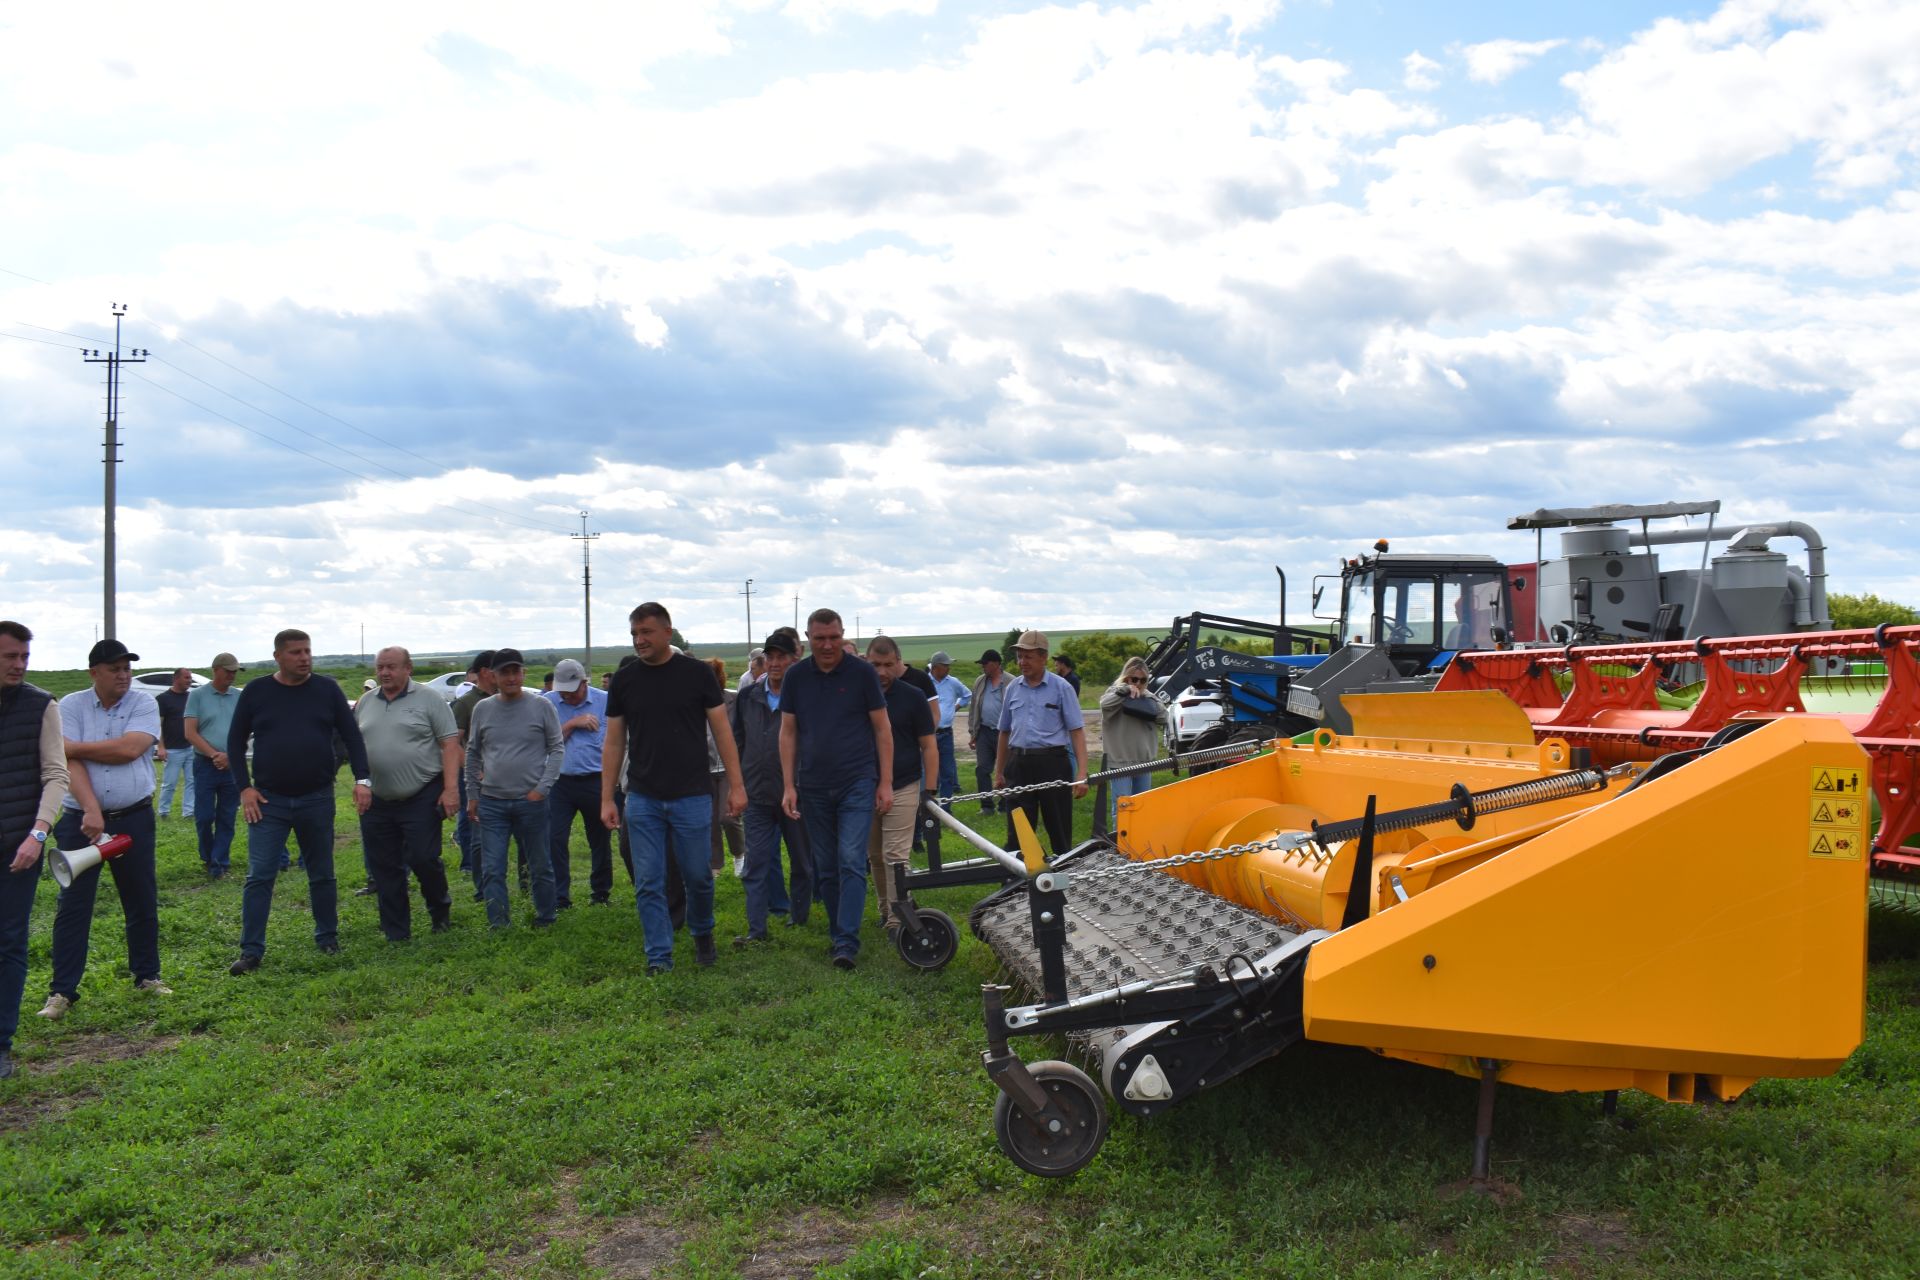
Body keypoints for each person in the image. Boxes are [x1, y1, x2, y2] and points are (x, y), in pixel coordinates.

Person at [600, 603, 745, 974]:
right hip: (643, 796)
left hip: (693, 795)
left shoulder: (696, 675)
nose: (639, 640)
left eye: (646, 632)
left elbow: (722, 731)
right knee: (649, 881)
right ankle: (659, 956)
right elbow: (614, 741)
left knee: (697, 875)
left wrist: (736, 785)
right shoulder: (625, 680)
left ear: (668, 632)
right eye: (634, 633)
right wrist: (607, 797)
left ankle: (702, 934)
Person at [226, 628, 370, 974]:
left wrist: (362, 780)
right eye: (296, 652)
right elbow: (234, 742)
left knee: (322, 873)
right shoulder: (258, 692)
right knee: (260, 875)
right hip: (268, 801)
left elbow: (352, 735)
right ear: (278, 656)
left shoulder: (327, 690)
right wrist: (244, 788)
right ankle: (251, 951)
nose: (304, 658)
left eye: (307, 651)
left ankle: (327, 937)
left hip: (316, 798)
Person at [42, 638, 169, 1019]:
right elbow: (70, 765)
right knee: (73, 906)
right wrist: (92, 810)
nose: (124, 675)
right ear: (93, 673)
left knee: (141, 899)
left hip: (135, 817)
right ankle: (61, 992)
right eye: (115, 669)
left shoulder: (143, 703)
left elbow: (131, 749)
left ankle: (147, 976)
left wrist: (73, 747)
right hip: (81, 823)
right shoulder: (71, 705)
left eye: (127, 668)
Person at [779, 608, 891, 970]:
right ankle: (837, 928)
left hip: (857, 781)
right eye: (819, 639)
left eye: (833, 638)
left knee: (850, 860)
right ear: (807, 640)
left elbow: (882, 728)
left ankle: (846, 941)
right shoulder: (796, 676)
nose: (827, 645)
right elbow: (788, 732)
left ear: (842, 635)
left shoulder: (861, 673)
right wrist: (788, 784)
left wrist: (885, 781)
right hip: (812, 784)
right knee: (825, 866)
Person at [0, 622, 68, 1077]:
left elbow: (56, 776)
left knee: (9, 944)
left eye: (24, 657)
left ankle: (0, 1044)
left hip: (17, 850)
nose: (19, 665)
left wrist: (38, 833)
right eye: (10, 657)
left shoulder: (42, 706)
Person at [355, 646, 459, 941]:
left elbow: (450, 745)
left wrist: (451, 790)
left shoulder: (430, 699)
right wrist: (360, 782)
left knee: (423, 858)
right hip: (377, 799)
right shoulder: (365, 702)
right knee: (384, 866)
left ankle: (439, 909)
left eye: (391, 667)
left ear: (408, 668)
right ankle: (396, 931)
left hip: (421, 794)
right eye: (380, 668)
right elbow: (354, 745)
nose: (385, 673)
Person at [465, 649, 563, 930]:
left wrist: (542, 788)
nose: (510, 677)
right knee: (493, 868)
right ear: (492, 676)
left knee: (540, 865)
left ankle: (546, 917)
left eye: (515, 671)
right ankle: (499, 925)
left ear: (523, 673)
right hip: (492, 802)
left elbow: (556, 748)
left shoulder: (541, 706)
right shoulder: (483, 709)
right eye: (504, 672)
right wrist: (473, 795)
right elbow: (472, 753)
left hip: (531, 801)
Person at [728, 629, 812, 944]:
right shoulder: (749, 696)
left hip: (796, 794)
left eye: (782, 658)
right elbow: (737, 739)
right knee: (756, 862)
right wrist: (737, 786)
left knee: (802, 861)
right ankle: (756, 929)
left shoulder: (805, 697)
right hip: (757, 793)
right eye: (770, 657)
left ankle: (799, 917)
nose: (775, 664)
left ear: (795, 659)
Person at [864, 637, 937, 940]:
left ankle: (898, 919)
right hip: (863, 785)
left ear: (898, 662)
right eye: (875, 665)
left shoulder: (913, 696)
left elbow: (929, 745)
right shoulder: (856, 695)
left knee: (896, 855)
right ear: (865, 662)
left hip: (904, 783)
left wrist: (929, 791)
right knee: (875, 856)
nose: (881, 671)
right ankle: (885, 909)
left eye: (887, 664)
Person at [993, 631, 1089, 858]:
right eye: (1019, 657)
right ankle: (1018, 880)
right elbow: (1004, 731)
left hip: (1053, 763)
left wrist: (1082, 773)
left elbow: (1076, 732)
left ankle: (1065, 874)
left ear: (1044, 657)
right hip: (1019, 764)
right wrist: (999, 771)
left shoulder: (1062, 687)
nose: (1022, 662)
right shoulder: (1013, 688)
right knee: (1018, 829)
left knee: (1058, 827)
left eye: (1028, 657)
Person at [543, 657, 613, 907]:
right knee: (554, 838)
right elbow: (546, 741)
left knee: (599, 839)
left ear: (585, 682)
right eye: (563, 692)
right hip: (560, 782)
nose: (568, 697)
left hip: (596, 780)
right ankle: (560, 896)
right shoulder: (548, 703)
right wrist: (573, 722)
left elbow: (615, 741)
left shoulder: (604, 701)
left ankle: (601, 893)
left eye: (572, 692)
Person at [183, 652, 245, 878]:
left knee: (227, 815)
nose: (232, 675)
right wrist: (214, 755)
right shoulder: (198, 696)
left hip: (232, 765)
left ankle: (219, 861)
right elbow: (190, 732)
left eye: (234, 671)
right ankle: (208, 855)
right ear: (215, 670)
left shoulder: (239, 696)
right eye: (228, 670)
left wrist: (230, 755)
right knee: (204, 815)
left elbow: (246, 729)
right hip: (205, 764)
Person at [1099, 657, 1167, 824]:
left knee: (1142, 807)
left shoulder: (1149, 697)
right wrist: (1125, 691)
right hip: (1120, 761)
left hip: (1144, 762)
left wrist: (1145, 697)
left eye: (1143, 680)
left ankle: (1140, 844)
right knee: (1122, 809)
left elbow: (1164, 716)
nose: (1138, 683)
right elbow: (1104, 705)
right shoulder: (1114, 694)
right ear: (1126, 677)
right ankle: (1121, 847)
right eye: (1134, 679)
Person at [450, 651, 496, 898]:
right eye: (497, 668)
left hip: (510, 779)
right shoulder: (466, 702)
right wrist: (472, 771)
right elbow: (453, 742)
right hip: (479, 781)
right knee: (479, 839)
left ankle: (525, 884)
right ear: (486, 672)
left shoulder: (506, 698)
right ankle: (482, 889)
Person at [704, 658, 746, 875]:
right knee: (710, 819)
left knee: (727, 817)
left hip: (730, 766)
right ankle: (715, 864)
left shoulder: (734, 699)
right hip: (706, 767)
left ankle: (740, 853)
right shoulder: (694, 702)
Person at [967, 649, 1012, 816]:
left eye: (985, 664)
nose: (983, 667)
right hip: (984, 732)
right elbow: (973, 708)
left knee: (1007, 770)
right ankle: (986, 806)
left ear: (996, 664)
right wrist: (973, 732)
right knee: (982, 769)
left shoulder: (1011, 682)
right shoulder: (980, 681)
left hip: (1005, 733)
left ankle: (1004, 805)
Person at [926, 651, 970, 811]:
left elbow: (967, 695)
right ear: (936, 667)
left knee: (948, 773)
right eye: (946, 665)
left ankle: (946, 810)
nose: (948, 668)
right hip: (927, 735)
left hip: (946, 734)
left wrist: (956, 707)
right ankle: (927, 808)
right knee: (927, 773)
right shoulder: (924, 682)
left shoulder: (953, 682)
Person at [153, 668, 195, 820]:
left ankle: (189, 812)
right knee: (169, 783)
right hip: (172, 750)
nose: (189, 680)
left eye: (190, 678)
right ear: (176, 679)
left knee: (192, 781)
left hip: (190, 747)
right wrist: (161, 747)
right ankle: (164, 811)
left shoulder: (191, 697)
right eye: (186, 677)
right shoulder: (163, 699)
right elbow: (158, 725)